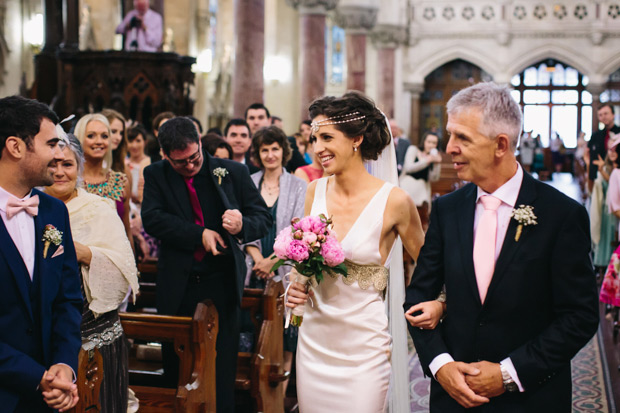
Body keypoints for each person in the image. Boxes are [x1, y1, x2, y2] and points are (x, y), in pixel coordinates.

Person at [404, 82, 599, 411]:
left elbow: (579, 316)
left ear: (501, 145)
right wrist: (440, 365)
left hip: (531, 397)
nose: (450, 148)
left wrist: (510, 373)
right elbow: (418, 298)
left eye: (462, 138)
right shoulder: (448, 210)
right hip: (453, 396)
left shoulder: (561, 215)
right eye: (451, 135)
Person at [286, 91, 425, 412]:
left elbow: (430, 265)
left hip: (365, 347)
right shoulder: (313, 191)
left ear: (356, 140)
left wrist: (435, 307)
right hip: (314, 342)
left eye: (326, 137)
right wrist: (294, 289)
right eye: (314, 138)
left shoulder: (395, 201)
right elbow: (302, 265)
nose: (317, 147)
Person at [141, 117, 272, 412]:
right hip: (178, 284)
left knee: (221, 366)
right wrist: (199, 234)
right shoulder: (157, 174)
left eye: (193, 158)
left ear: (200, 143)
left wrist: (240, 226)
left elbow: (263, 219)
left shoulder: (234, 172)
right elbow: (153, 218)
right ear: (164, 155)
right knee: (177, 368)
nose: (189, 166)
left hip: (221, 282)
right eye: (180, 162)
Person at [45, 133, 139, 413]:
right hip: (47, 338)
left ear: (79, 168)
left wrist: (86, 253)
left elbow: (124, 269)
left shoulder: (99, 209)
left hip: (98, 336)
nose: (60, 172)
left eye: (68, 164)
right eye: (53, 164)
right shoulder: (30, 208)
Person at [0, 95, 82, 412]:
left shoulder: (53, 211)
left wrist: (63, 363)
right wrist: (36, 375)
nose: (60, 154)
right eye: (52, 144)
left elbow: (68, 298)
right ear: (16, 147)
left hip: (49, 396)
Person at [243, 125, 307, 395]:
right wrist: (258, 257)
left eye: (275, 148)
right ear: (258, 154)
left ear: (284, 151)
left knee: (285, 340)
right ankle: (255, 399)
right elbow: (243, 222)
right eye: (264, 150)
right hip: (253, 266)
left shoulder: (299, 184)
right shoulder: (248, 181)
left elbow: (299, 229)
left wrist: (273, 261)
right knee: (255, 336)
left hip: (285, 267)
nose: (270, 154)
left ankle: (278, 401)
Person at [74, 114, 132, 244]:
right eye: (91, 136)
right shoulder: (69, 182)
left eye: (104, 136)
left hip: (115, 257)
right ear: (80, 139)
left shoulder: (121, 182)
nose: (99, 141)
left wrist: (131, 263)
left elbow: (126, 232)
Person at [399, 131, 442, 208]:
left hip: (422, 192)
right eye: (429, 142)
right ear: (424, 141)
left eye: (434, 143)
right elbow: (408, 168)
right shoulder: (413, 149)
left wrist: (436, 164)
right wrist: (426, 161)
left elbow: (434, 178)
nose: (431, 145)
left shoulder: (433, 157)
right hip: (407, 187)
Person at [587, 104, 620, 193]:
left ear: (613, 115)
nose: (603, 117)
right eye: (600, 115)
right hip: (597, 176)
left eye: (606, 114)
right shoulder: (595, 136)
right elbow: (589, 154)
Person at [125, 125, 151, 205]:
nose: (134, 145)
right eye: (131, 141)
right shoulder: (123, 163)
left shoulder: (151, 163)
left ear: (145, 142)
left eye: (138, 141)